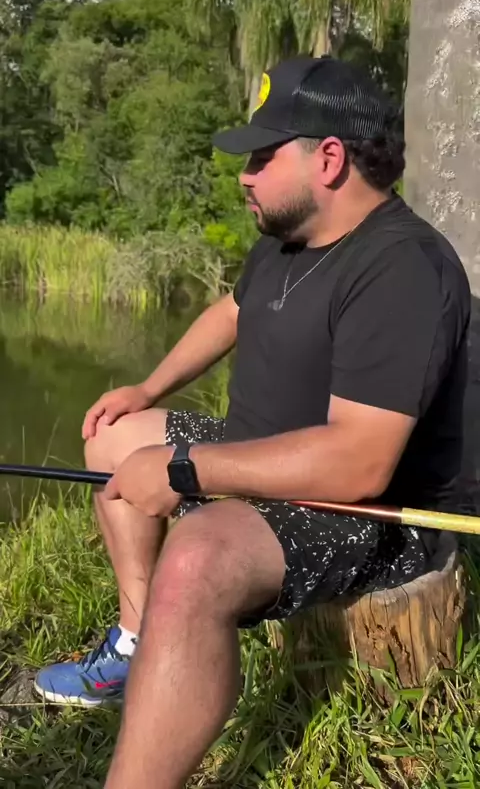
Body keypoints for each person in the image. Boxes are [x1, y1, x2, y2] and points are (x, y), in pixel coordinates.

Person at [35, 55, 470, 788]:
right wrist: (148, 386)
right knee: (112, 436)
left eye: (262, 158)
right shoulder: (287, 237)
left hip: (362, 513)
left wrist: (184, 470)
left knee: (197, 557)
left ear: (328, 159)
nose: (244, 176)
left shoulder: (402, 268)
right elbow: (230, 313)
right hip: (261, 453)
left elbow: (358, 463)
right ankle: (138, 642)